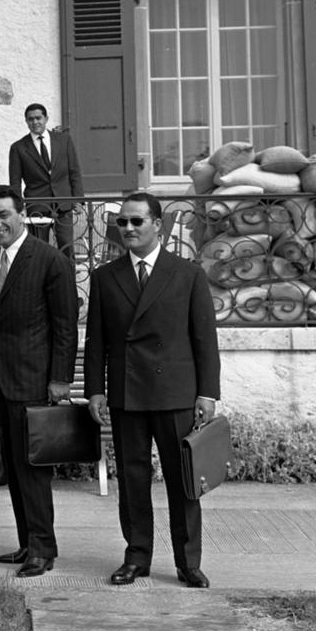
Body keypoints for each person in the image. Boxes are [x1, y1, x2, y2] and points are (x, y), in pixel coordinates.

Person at [85, 191, 221, 589]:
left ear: (157, 225)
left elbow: (204, 340)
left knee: (183, 480)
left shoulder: (188, 273)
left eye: (136, 222)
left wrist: (207, 393)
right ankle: (137, 556)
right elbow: (96, 342)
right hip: (128, 393)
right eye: (122, 222)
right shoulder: (105, 277)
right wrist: (95, 390)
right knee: (132, 478)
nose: (127, 228)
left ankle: (187, 561)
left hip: (176, 392)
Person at [0, 184, 78, 577]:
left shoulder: (50, 259)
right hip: (3, 381)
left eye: (4, 214)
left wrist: (60, 379)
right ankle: (26, 542)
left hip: (37, 382)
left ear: (21, 214)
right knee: (16, 468)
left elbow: (65, 325)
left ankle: (44, 548)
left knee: (34, 469)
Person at [8, 102, 85, 256]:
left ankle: (67, 280)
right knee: (39, 250)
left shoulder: (64, 140)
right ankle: (42, 280)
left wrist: (78, 199)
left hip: (64, 205)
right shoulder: (18, 147)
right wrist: (18, 206)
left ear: (46, 118)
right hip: (37, 205)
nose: (35, 122)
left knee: (67, 249)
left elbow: (74, 171)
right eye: (30, 119)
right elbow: (15, 182)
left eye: (38, 118)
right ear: (26, 122)